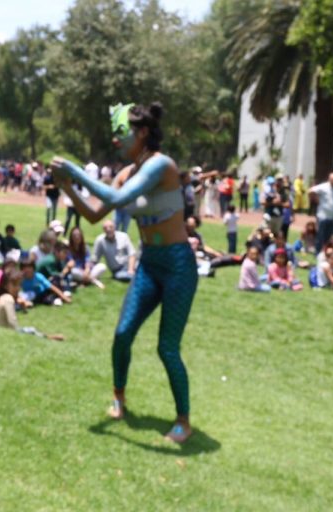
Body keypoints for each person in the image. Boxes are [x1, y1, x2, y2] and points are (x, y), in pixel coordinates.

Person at [52, 101, 198, 443]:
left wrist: (74, 170)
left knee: (167, 348)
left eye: (123, 133)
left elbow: (118, 201)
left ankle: (183, 420)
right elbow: (93, 215)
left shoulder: (161, 165)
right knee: (122, 334)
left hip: (178, 265)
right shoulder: (124, 174)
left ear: (143, 132)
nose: (117, 141)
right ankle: (119, 397)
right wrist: (67, 187)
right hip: (150, 263)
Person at [0, 269, 65, 340]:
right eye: (14, 285)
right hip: (5, 332)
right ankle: (48, 337)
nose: (18, 288)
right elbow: (13, 325)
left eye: (19, 285)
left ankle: (47, 336)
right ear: (5, 285)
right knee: (31, 330)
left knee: (31, 330)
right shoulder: (8, 298)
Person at [309, 172, 333, 253]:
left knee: (328, 236)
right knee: (320, 235)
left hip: (331, 216)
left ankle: (325, 253)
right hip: (322, 216)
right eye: (332, 179)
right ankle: (318, 252)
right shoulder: (323, 187)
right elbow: (310, 191)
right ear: (329, 179)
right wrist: (316, 200)